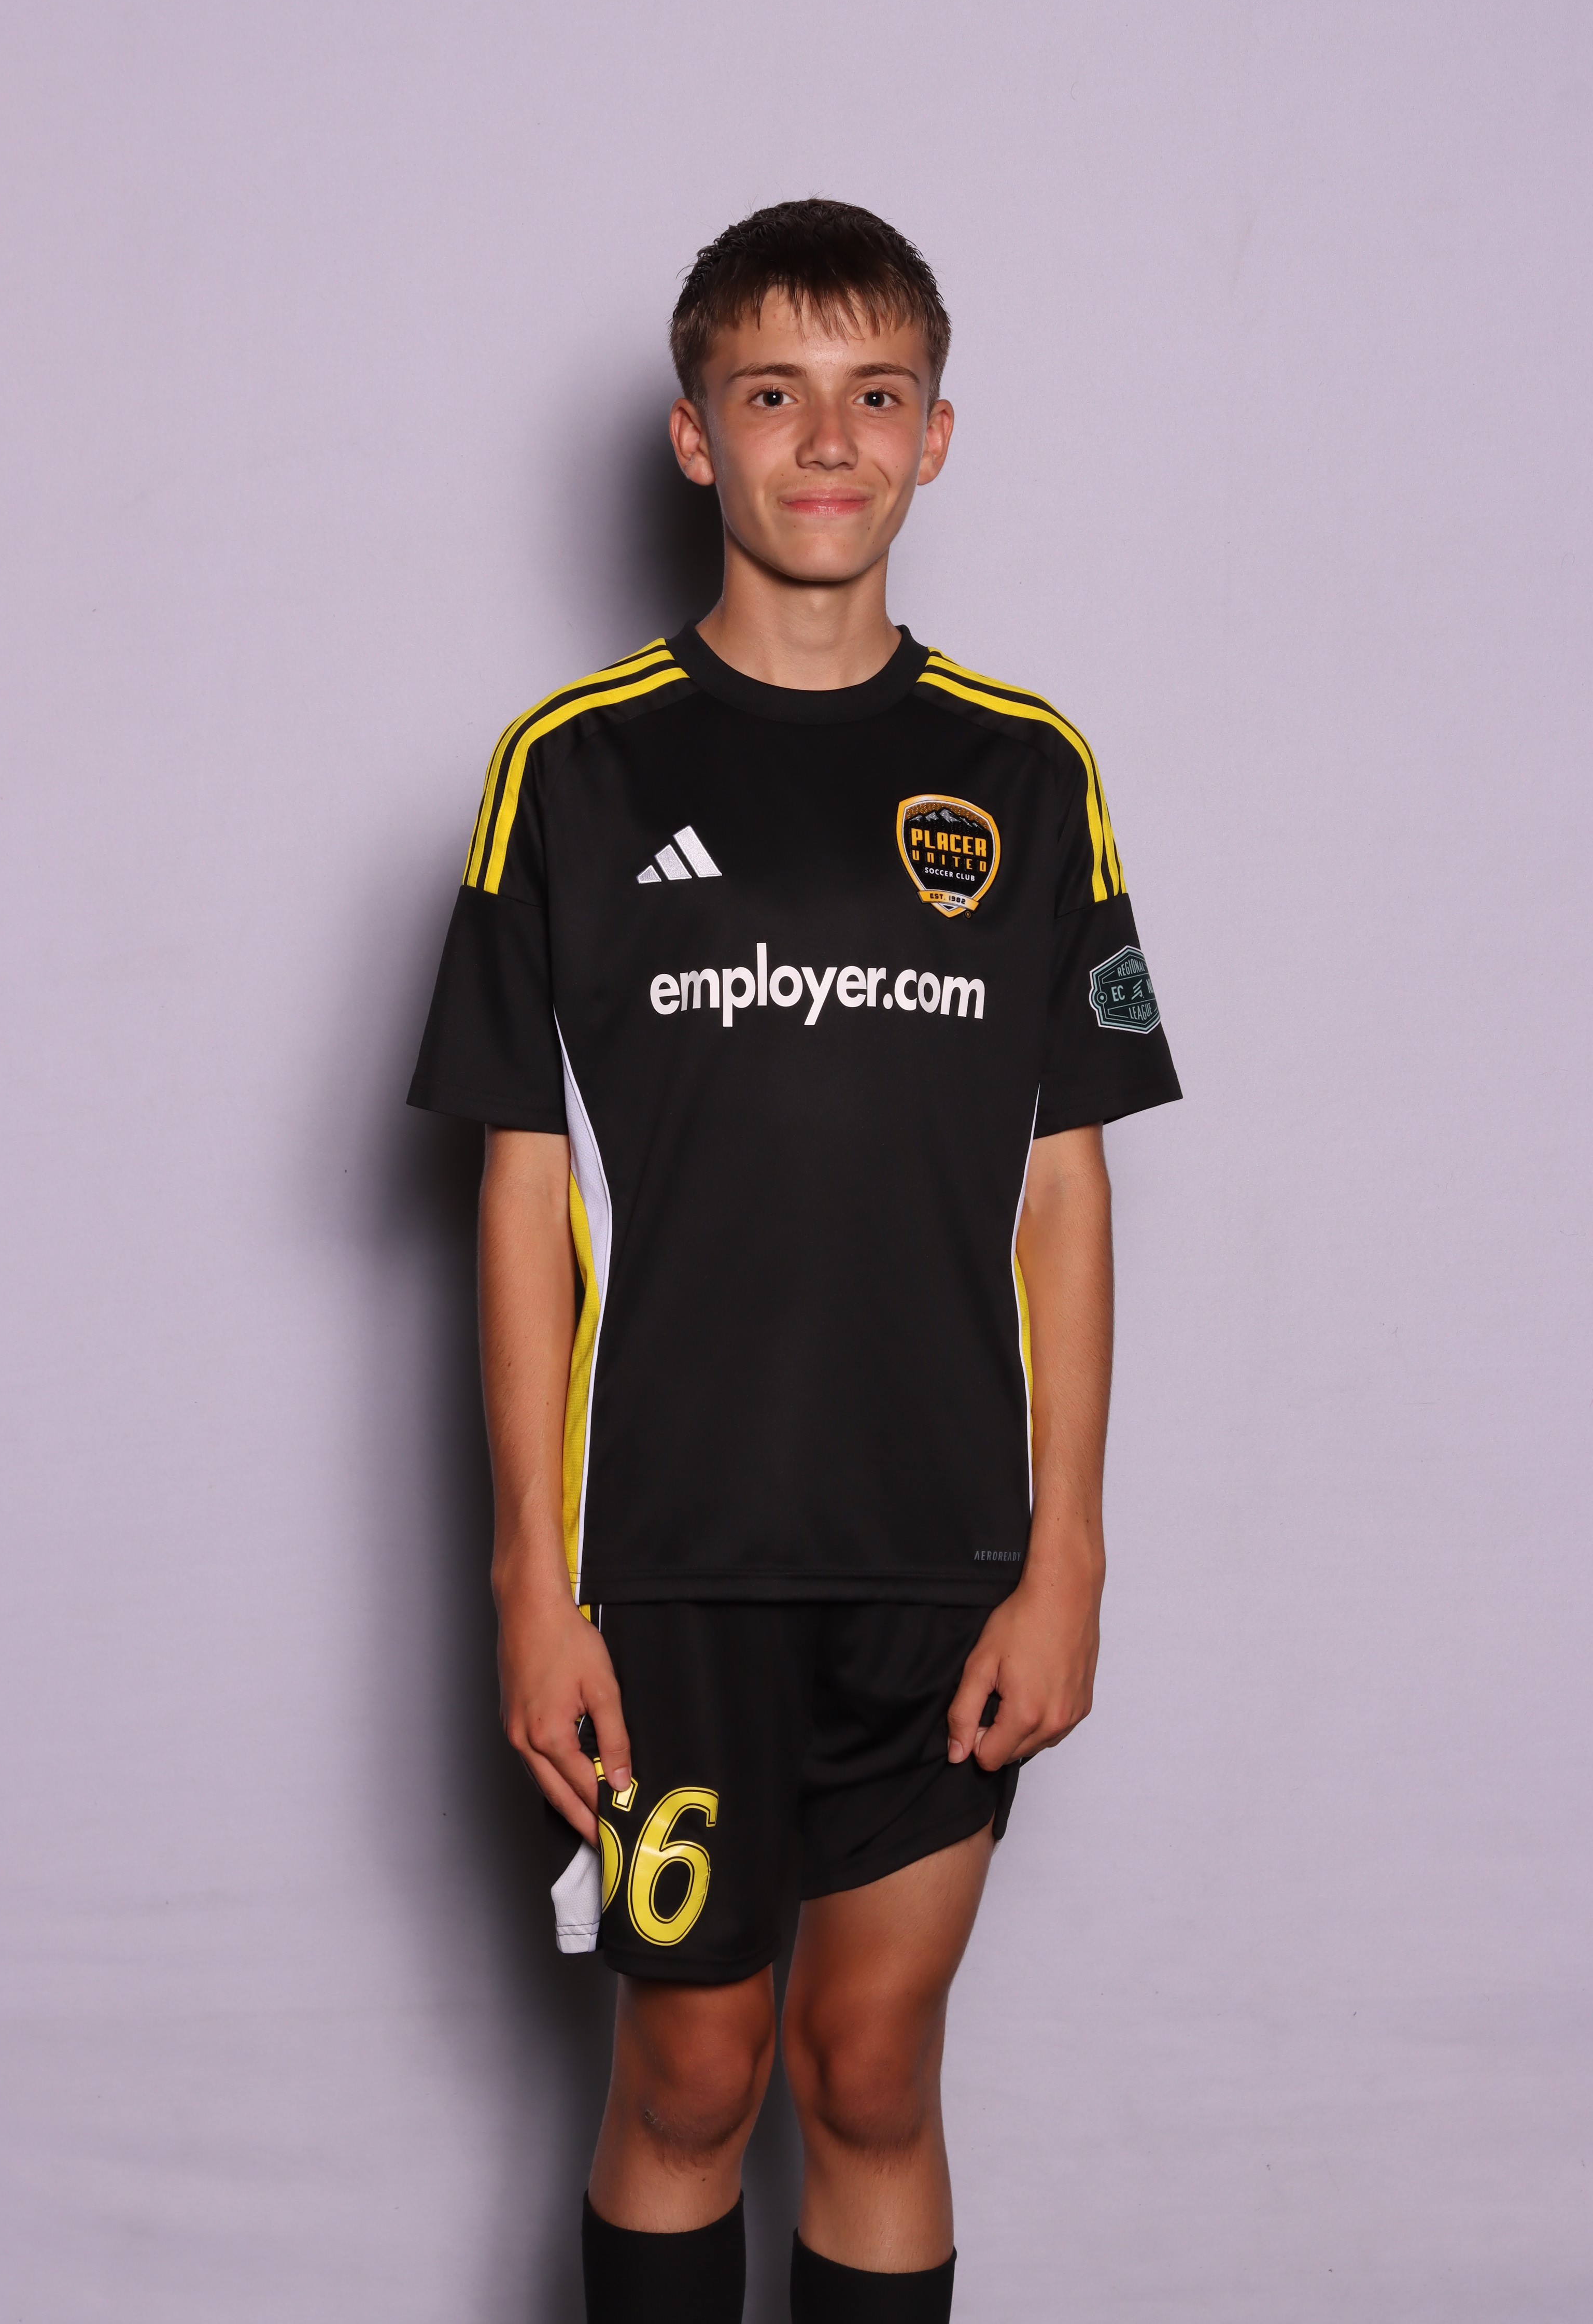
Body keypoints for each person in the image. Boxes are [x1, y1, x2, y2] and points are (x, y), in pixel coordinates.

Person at [408, 199, 1180, 2322]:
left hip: (943, 1560)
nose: (825, 440)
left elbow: (1063, 1186)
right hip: (663, 1566)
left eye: (873, 394)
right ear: (694, 437)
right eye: (772, 394)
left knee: (869, 2072)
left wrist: (1068, 1557)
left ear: (936, 436)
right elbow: (515, 1197)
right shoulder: (570, 772)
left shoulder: (1029, 774)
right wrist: (531, 1584)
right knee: (690, 2076)